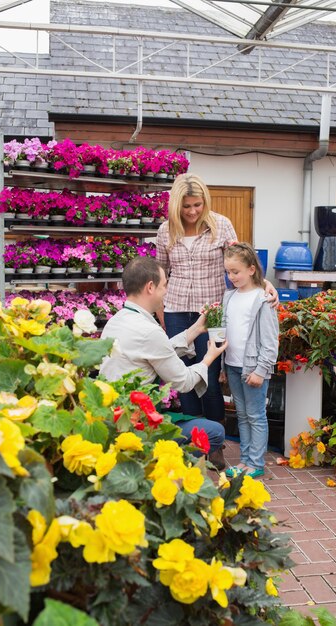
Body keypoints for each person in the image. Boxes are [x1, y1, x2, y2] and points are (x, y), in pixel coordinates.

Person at [156, 172, 278, 425]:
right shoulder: (165, 231)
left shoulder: (221, 225)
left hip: (211, 313)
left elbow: (242, 260)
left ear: (205, 202)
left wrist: (264, 283)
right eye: (186, 206)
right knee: (182, 377)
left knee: (209, 377)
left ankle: (215, 439)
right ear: (176, 204)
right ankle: (192, 437)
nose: (192, 211)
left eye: (197, 205)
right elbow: (160, 273)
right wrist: (161, 313)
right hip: (175, 311)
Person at [100, 256, 227, 468]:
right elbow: (184, 382)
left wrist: (195, 329)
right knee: (216, 432)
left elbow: (158, 350)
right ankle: (167, 471)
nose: (166, 291)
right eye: (164, 285)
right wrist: (209, 358)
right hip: (136, 426)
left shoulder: (117, 321)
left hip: (112, 417)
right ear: (150, 287)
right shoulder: (148, 330)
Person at [221, 243, 279, 479]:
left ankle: (256, 462)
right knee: (242, 415)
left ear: (251, 270)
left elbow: (270, 340)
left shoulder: (263, 300)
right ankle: (245, 461)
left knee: (256, 416)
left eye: (236, 272)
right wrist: (224, 366)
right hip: (234, 366)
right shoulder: (229, 297)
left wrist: (261, 369)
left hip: (254, 368)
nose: (231, 276)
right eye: (228, 272)